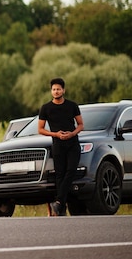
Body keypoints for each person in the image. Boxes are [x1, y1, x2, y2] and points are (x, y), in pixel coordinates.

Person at [38, 77, 84, 216]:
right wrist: (56, 134)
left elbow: (81, 125)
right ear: (51, 91)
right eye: (54, 89)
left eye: (58, 89)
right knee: (60, 175)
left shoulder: (72, 105)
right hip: (57, 144)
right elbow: (40, 129)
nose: (56, 91)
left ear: (63, 90)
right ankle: (61, 207)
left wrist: (72, 134)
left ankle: (58, 203)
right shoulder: (46, 108)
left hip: (72, 144)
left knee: (71, 171)